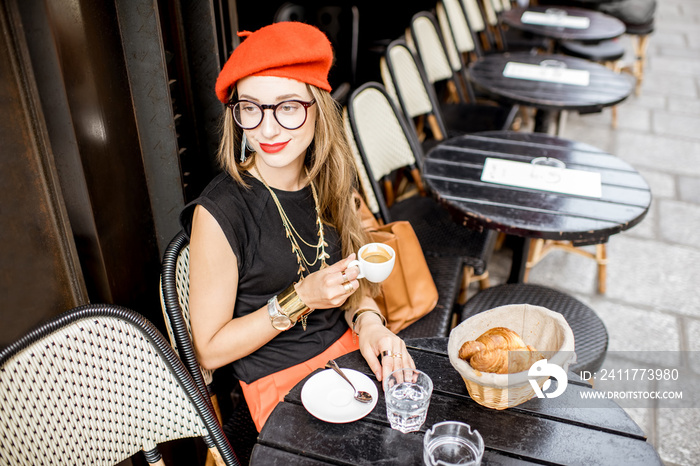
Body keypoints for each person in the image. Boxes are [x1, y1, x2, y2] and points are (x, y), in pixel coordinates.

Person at [180, 21, 416, 431]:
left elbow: (353, 285)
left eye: (287, 107)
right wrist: (300, 297)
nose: (267, 129)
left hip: (352, 357)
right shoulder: (220, 213)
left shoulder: (329, 177)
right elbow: (209, 351)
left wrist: (372, 326)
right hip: (278, 385)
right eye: (250, 108)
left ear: (317, 109)